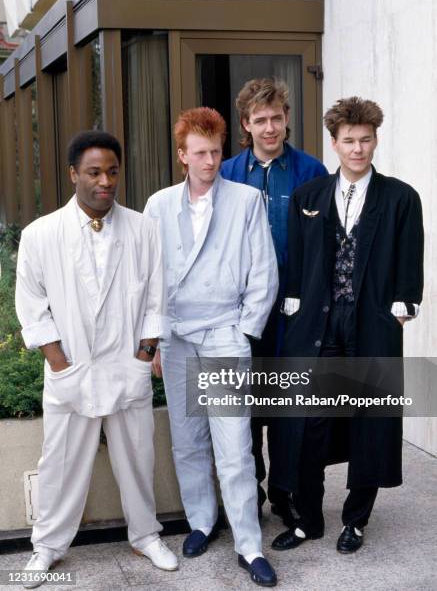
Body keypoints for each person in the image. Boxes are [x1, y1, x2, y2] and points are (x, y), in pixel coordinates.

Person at [15, 130, 178, 588]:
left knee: (138, 456)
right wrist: (58, 361)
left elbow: (156, 298)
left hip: (127, 367)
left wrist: (144, 353)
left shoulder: (144, 229)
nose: (105, 181)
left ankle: (146, 535)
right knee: (60, 461)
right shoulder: (40, 234)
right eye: (93, 172)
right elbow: (31, 304)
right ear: (73, 175)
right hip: (72, 370)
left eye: (112, 172)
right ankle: (46, 547)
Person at [272, 97, 424, 554]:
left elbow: (410, 259)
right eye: (349, 141)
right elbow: (296, 261)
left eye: (366, 140)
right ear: (334, 144)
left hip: (371, 324)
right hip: (317, 325)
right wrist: (293, 302)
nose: (358, 149)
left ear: (375, 140)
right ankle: (310, 520)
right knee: (308, 423)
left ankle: (356, 520)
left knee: (368, 423)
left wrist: (403, 305)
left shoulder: (401, 197)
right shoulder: (309, 197)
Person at [145, 107, 279, 587]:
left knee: (235, 446)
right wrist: (155, 339)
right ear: (182, 155)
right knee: (187, 439)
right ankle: (202, 521)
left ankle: (249, 543)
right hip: (177, 335)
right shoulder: (158, 206)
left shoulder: (245, 200)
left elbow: (264, 270)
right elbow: (149, 277)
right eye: (200, 153)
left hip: (225, 333)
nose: (210, 161)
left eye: (216, 152)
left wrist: (244, 331)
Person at [221, 78, 328, 523]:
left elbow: (327, 244)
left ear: (287, 120)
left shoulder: (311, 172)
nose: (270, 128)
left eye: (276, 118)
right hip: (239, 314)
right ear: (245, 124)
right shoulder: (226, 173)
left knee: (289, 410)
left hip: (293, 314)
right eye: (260, 120)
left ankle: (287, 494)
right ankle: (251, 494)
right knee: (242, 410)